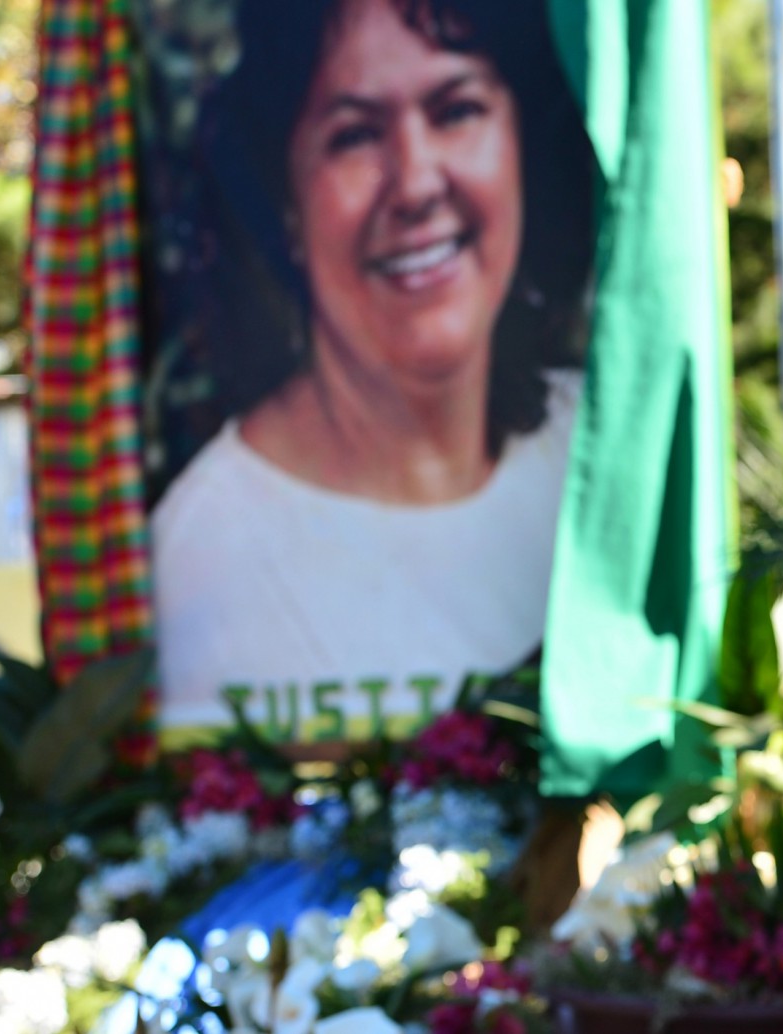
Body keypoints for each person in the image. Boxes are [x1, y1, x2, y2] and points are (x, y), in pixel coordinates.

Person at [149, 0, 596, 741]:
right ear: (285, 201)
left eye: (456, 110)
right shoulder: (200, 555)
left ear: (521, 144)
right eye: (353, 135)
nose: (416, 184)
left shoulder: (605, 463)